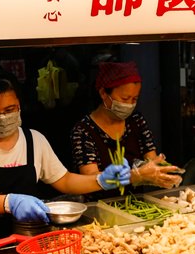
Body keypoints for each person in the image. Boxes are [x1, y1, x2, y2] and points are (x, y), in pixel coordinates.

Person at [0, 71, 131, 241]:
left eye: (9, 109)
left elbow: (65, 180)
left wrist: (100, 180)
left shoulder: (35, 140)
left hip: (27, 240)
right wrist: (10, 202)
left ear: (19, 105)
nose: (2, 117)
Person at [70, 61, 183, 189]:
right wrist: (135, 175)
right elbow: (90, 176)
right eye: (124, 98)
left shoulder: (136, 120)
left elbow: (152, 160)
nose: (129, 104)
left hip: (136, 201)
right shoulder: (83, 130)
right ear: (103, 93)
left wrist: (161, 170)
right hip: (100, 203)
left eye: (134, 99)